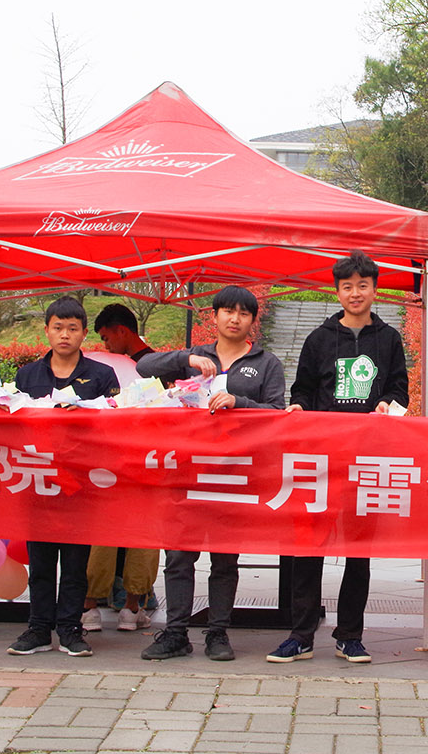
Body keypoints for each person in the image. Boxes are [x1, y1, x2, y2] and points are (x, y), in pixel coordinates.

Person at [268, 250, 409, 665]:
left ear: (375, 289)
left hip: (367, 459)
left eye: (362, 285)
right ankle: (301, 635)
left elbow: (399, 389)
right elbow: (302, 389)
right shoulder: (318, 338)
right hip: (320, 459)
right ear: (337, 291)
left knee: (358, 552)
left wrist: (386, 405)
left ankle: (350, 635)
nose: (355, 293)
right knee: (307, 547)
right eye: (347, 287)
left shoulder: (389, 339)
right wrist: (298, 407)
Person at [135, 286, 285, 662]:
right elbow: (143, 367)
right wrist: (186, 357)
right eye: (227, 311)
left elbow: (278, 414)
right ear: (214, 316)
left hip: (234, 473)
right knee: (178, 555)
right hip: (188, 470)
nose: (235, 318)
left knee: (224, 558)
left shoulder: (266, 363)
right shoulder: (195, 357)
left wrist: (240, 402)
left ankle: (218, 632)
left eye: (243, 313)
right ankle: (175, 633)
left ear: (252, 321)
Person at [6, 297, 119, 657]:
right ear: (47, 331)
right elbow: (12, 424)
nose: (65, 335)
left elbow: (118, 423)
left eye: (72, 328)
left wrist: (84, 416)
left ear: (84, 333)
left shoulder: (101, 376)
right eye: (58, 327)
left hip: (80, 482)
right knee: (40, 562)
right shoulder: (27, 375)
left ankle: (70, 628)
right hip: (36, 479)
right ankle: (38, 628)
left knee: (74, 564)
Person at [84, 302, 158, 633]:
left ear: (122, 332)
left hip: (108, 464)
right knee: (144, 534)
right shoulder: (160, 364)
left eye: (106, 338)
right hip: (148, 463)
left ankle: (90, 607)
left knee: (103, 533)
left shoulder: (102, 369)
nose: (105, 345)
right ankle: (132, 607)